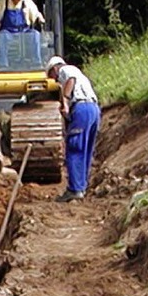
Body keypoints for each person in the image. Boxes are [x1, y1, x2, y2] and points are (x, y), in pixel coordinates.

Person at [45, 55, 101, 202]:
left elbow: (70, 80)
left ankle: (75, 189)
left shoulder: (66, 70)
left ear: (55, 68)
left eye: (52, 75)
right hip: (94, 109)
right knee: (85, 150)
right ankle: (81, 187)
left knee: (74, 148)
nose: (55, 80)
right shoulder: (80, 74)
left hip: (81, 108)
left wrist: (65, 101)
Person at [0, 0, 45, 69]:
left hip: (24, 32)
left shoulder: (27, 2)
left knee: (35, 34)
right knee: (2, 36)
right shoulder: (3, 1)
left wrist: (40, 19)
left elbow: (36, 14)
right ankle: (2, 64)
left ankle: (37, 63)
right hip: (8, 32)